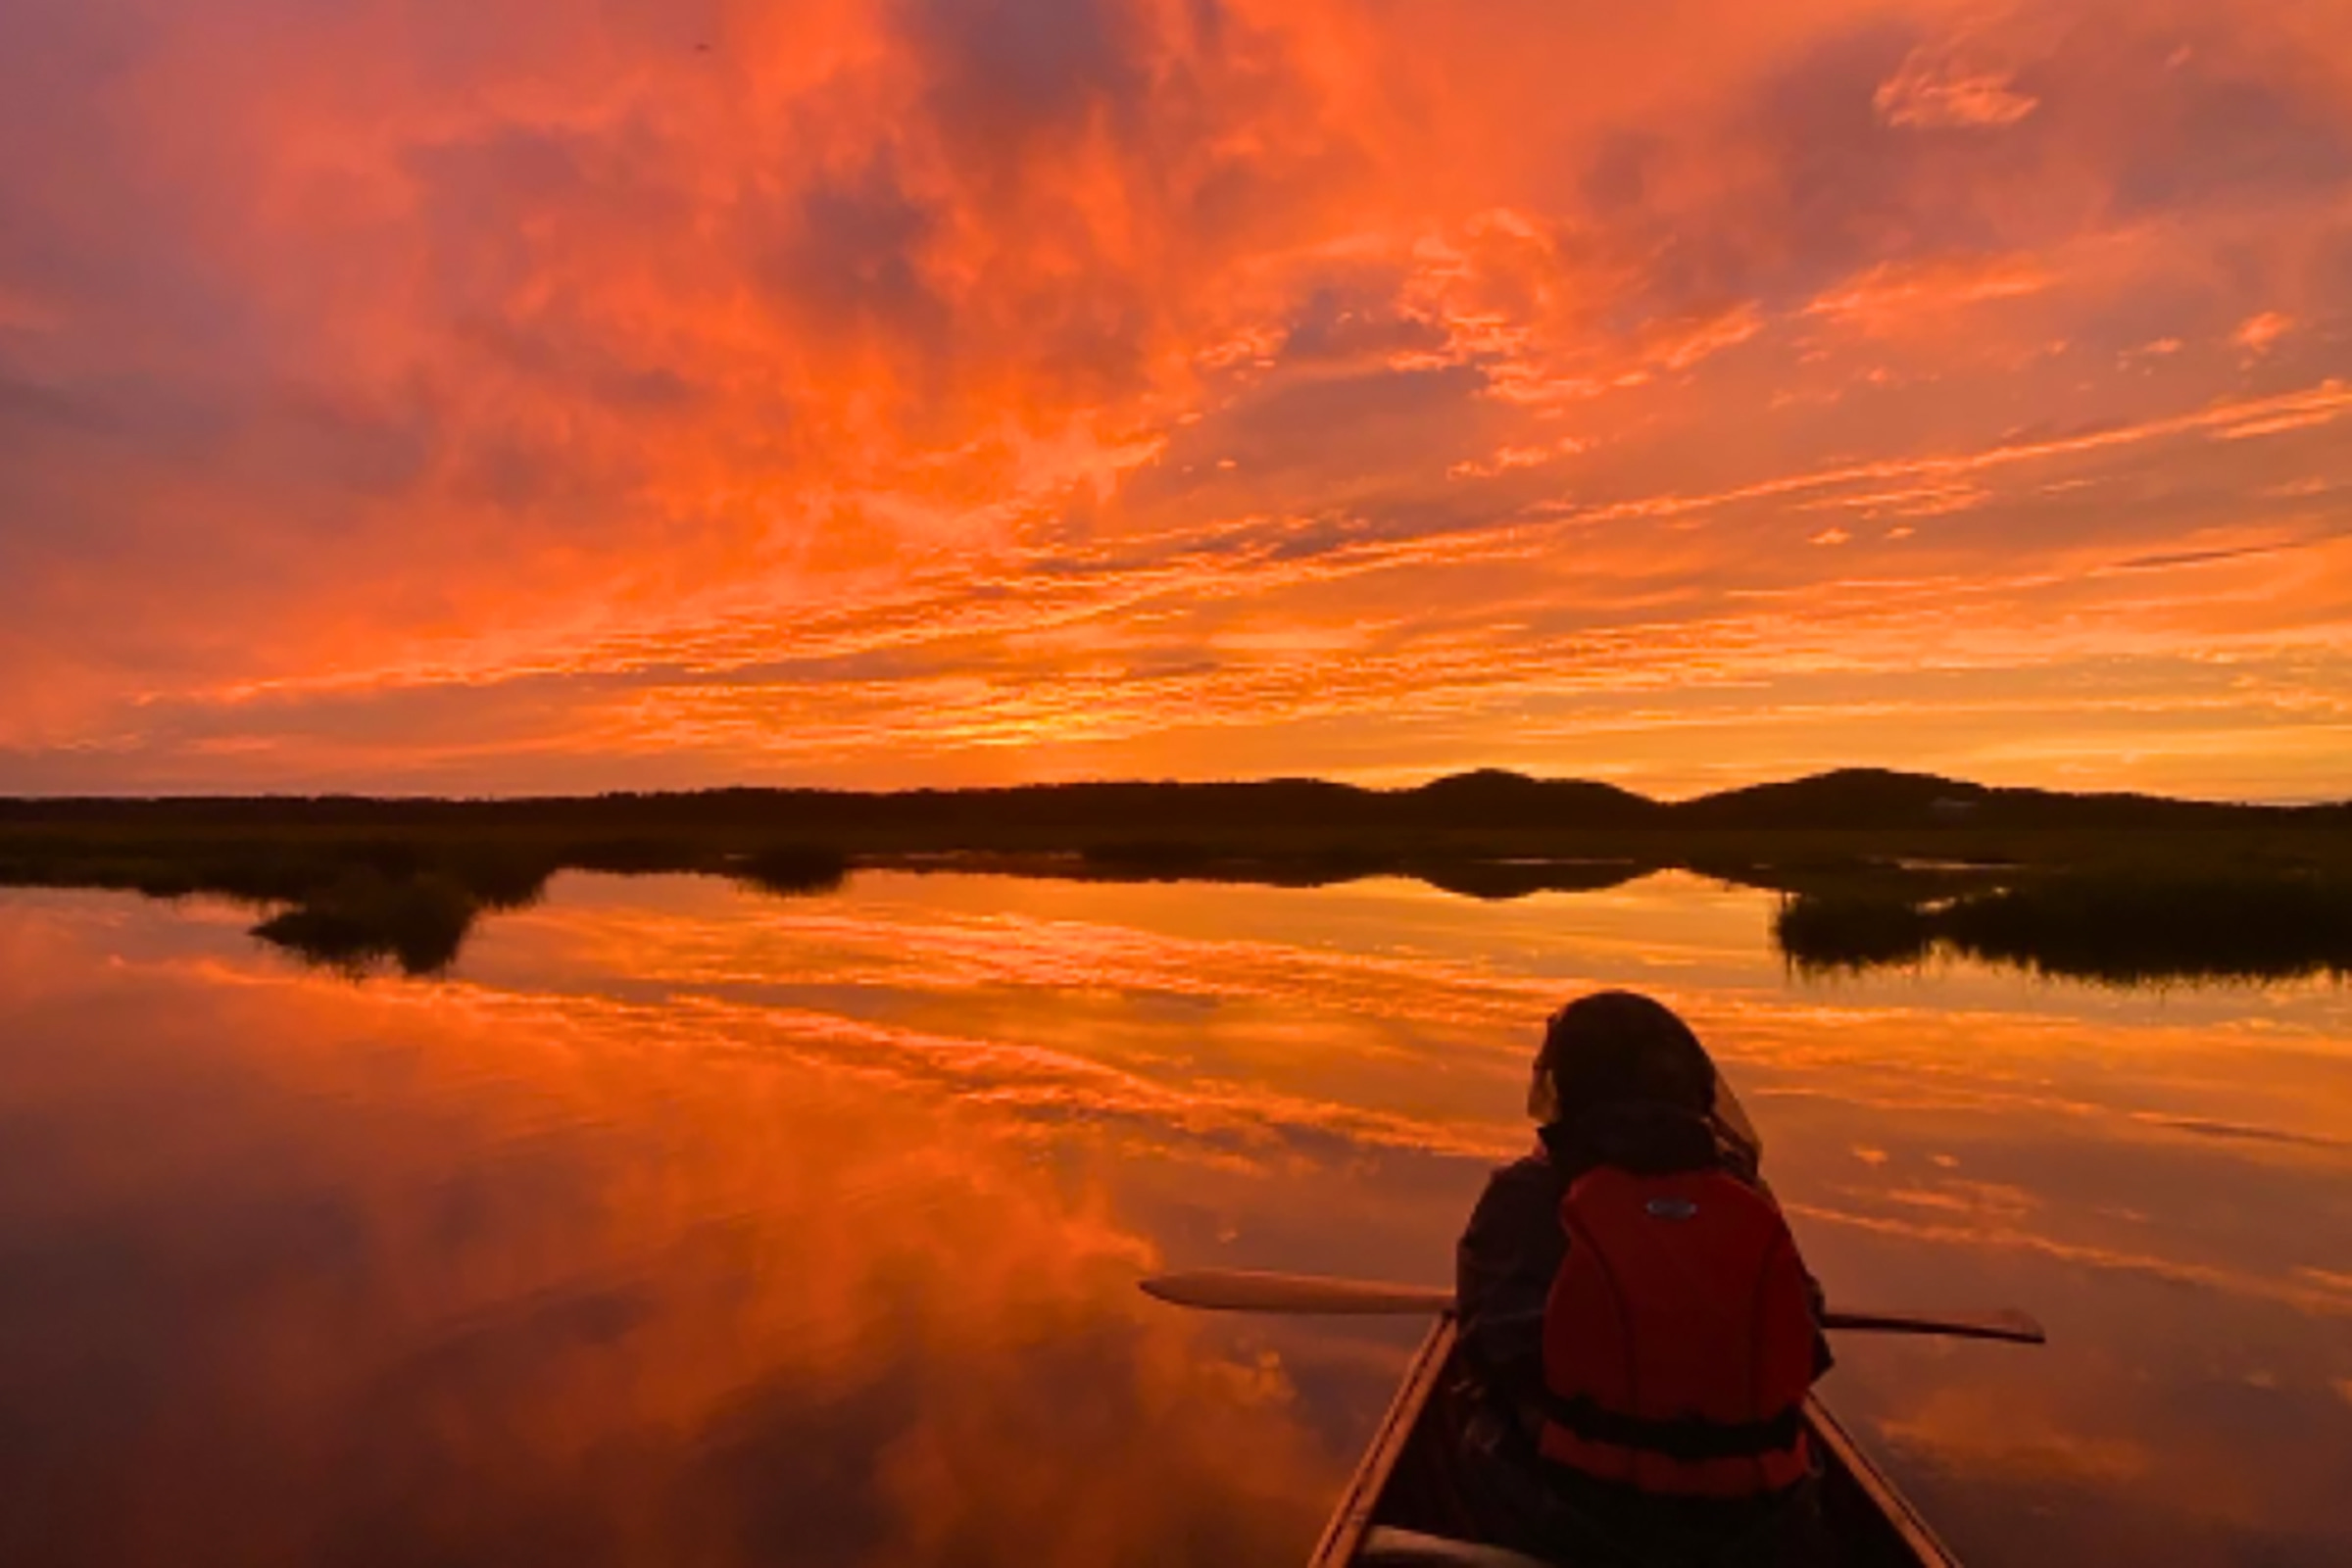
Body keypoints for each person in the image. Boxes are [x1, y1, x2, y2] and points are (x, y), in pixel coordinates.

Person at [1453, 991, 1832, 1565]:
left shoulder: (1527, 1196)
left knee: (1475, 1412)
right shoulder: (1739, 1197)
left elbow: (1496, 1349)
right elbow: (1807, 1335)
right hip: (1765, 1525)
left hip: (1582, 1521)